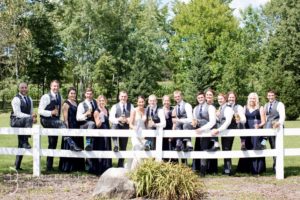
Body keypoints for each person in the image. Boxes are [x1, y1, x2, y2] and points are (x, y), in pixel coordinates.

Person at [38, 80, 67, 171]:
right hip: (46, 120)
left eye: (57, 86)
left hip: (55, 121)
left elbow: (59, 111)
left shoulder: (59, 96)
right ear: (51, 87)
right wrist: (51, 112)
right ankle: (70, 142)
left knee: (53, 142)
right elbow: (40, 111)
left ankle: (49, 166)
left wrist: (60, 117)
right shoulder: (46, 96)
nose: (56, 88)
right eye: (54, 86)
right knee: (60, 126)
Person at [238, 92, 266, 175]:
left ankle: (257, 169)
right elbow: (241, 118)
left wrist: (259, 125)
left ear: (256, 99)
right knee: (247, 146)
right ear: (248, 99)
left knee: (256, 146)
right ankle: (245, 169)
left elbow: (264, 121)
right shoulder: (244, 107)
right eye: (250, 98)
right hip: (247, 129)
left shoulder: (260, 108)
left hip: (256, 130)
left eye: (254, 98)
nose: (252, 99)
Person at [11, 82, 36, 170]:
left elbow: (31, 112)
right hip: (15, 121)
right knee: (22, 142)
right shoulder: (16, 99)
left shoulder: (29, 98)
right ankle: (25, 140)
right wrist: (30, 117)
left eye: (25, 87)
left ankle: (16, 166)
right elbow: (17, 113)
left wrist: (33, 117)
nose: (24, 89)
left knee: (20, 144)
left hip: (25, 123)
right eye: (22, 87)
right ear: (19, 88)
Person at [59, 87, 85, 172]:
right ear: (68, 94)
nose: (73, 95)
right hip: (70, 125)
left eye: (74, 93)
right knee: (70, 145)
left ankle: (77, 166)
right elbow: (65, 118)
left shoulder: (76, 103)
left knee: (78, 144)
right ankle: (68, 167)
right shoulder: (66, 104)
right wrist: (67, 127)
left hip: (77, 125)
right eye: (71, 93)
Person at [192, 91, 216, 176]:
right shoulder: (195, 108)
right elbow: (194, 119)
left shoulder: (210, 107)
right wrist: (194, 123)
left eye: (202, 97)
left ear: (205, 98)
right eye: (198, 98)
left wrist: (202, 129)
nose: (200, 99)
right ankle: (196, 169)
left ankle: (203, 171)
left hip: (206, 131)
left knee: (204, 149)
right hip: (198, 132)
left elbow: (212, 121)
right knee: (198, 148)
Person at [109, 91, 134, 167]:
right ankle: (115, 144)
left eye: (125, 96)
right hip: (117, 126)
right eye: (122, 96)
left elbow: (133, 117)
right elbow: (111, 118)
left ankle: (120, 164)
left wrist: (127, 120)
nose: (123, 98)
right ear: (119, 97)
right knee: (114, 126)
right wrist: (118, 119)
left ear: (127, 97)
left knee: (123, 147)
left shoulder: (131, 106)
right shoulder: (114, 106)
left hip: (125, 127)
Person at [211, 93, 234, 175]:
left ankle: (228, 170)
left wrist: (218, 130)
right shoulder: (220, 108)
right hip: (223, 132)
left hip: (227, 132)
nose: (219, 100)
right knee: (225, 149)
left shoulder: (228, 109)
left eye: (221, 99)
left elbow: (227, 122)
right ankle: (226, 168)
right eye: (218, 99)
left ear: (225, 99)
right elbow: (220, 120)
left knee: (227, 149)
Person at [264, 90, 285, 172]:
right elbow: (266, 117)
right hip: (268, 128)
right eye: (269, 95)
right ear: (267, 96)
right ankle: (275, 165)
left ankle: (277, 166)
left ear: (275, 96)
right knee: (272, 146)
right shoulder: (266, 105)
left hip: (277, 129)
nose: (270, 97)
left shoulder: (279, 104)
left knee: (277, 146)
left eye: (272, 95)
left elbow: (282, 116)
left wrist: (278, 123)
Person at [92, 95, 113, 175]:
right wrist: (100, 117)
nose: (101, 102)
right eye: (100, 100)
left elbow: (109, 121)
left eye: (103, 100)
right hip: (100, 132)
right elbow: (97, 124)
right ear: (97, 101)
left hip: (107, 131)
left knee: (107, 147)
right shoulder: (96, 111)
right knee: (101, 148)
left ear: (105, 101)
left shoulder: (106, 109)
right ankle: (100, 168)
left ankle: (107, 167)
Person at [127, 96, 147, 170]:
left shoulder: (146, 110)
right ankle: (134, 170)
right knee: (137, 150)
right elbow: (130, 124)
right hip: (135, 133)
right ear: (137, 102)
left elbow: (146, 123)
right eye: (139, 102)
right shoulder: (134, 111)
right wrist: (134, 127)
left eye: (142, 102)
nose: (141, 103)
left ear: (144, 102)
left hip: (143, 135)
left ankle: (129, 167)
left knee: (140, 151)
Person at [204, 88, 218, 174]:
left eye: (210, 95)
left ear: (213, 97)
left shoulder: (216, 105)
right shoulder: (203, 105)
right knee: (205, 147)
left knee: (213, 147)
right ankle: (204, 168)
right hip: (205, 129)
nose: (209, 96)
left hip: (213, 129)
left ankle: (213, 169)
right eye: (207, 95)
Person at [161, 95, 176, 162]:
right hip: (163, 133)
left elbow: (175, 123)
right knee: (163, 150)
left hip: (172, 131)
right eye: (165, 100)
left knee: (173, 150)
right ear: (162, 101)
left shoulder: (173, 109)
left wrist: (172, 134)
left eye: (168, 100)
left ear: (170, 101)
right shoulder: (160, 110)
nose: (166, 102)